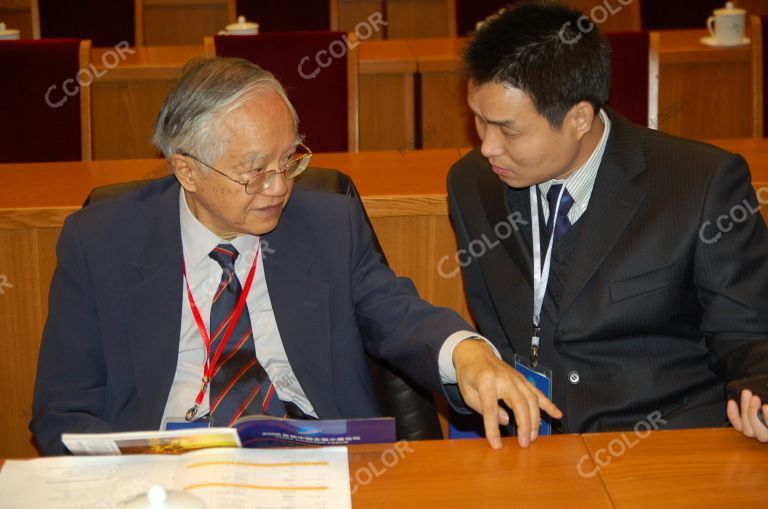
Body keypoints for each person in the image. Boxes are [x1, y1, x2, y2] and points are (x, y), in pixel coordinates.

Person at [30, 57, 562, 456]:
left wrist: (467, 354)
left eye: (290, 160)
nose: (279, 186)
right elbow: (62, 410)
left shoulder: (328, 224)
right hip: (166, 471)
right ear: (186, 171)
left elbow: (398, 313)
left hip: (316, 462)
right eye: (254, 170)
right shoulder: (100, 241)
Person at [447, 1, 768, 442]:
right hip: (538, 447)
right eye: (479, 121)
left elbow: (747, 332)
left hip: (666, 447)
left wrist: (759, 384)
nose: (487, 147)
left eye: (508, 130)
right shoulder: (471, 184)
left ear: (579, 117)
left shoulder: (699, 182)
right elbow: (497, 328)